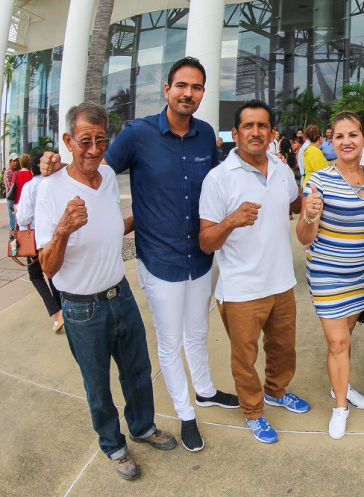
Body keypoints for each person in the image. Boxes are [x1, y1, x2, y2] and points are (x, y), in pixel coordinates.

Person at [41, 57, 239, 452]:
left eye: (196, 87)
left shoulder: (204, 135)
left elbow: (220, 183)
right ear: (167, 89)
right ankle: (186, 414)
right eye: (181, 85)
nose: (188, 93)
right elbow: (94, 165)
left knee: (197, 332)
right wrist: (56, 164)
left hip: (200, 257)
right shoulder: (137, 134)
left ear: (203, 93)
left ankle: (204, 390)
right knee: (169, 341)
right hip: (159, 261)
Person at [35, 102, 176, 481]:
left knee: (138, 370)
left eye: (101, 140)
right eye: (85, 141)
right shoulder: (50, 188)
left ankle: (143, 427)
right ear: (68, 141)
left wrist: (147, 216)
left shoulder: (109, 175)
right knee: (97, 384)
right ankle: (113, 445)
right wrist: (63, 230)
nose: (94, 149)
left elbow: (110, 227)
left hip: (120, 294)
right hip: (82, 309)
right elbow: (47, 266)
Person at [199, 100, 308, 445]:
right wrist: (231, 221)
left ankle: (276, 391)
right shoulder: (218, 179)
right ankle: (253, 411)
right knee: (244, 359)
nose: (256, 132)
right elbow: (206, 242)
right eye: (248, 126)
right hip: (241, 289)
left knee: (283, 349)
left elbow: (295, 202)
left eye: (263, 126)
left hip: (282, 282)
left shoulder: (281, 169)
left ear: (272, 133)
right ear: (236, 133)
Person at [296, 111, 364, 439]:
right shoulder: (319, 181)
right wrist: (310, 216)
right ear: (331, 141)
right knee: (338, 341)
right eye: (339, 136)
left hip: (357, 275)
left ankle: (340, 384)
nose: (346, 141)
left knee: (345, 337)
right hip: (326, 274)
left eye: (353, 134)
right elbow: (304, 237)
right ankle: (340, 406)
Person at [14, 152, 64, 333]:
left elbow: (23, 217)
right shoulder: (55, 183)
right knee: (53, 272)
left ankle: (57, 313)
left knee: (35, 275)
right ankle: (64, 309)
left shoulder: (30, 186)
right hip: (54, 235)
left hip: (34, 237)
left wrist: (17, 212)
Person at [4, 152, 19, 230]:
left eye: (17, 160)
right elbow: (9, 186)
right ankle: (12, 236)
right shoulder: (8, 172)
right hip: (11, 198)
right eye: (14, 160)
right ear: (10, 162)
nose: (16, 162)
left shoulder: (16, 171)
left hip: (16, 197)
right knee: (13, 221)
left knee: (17, 220)